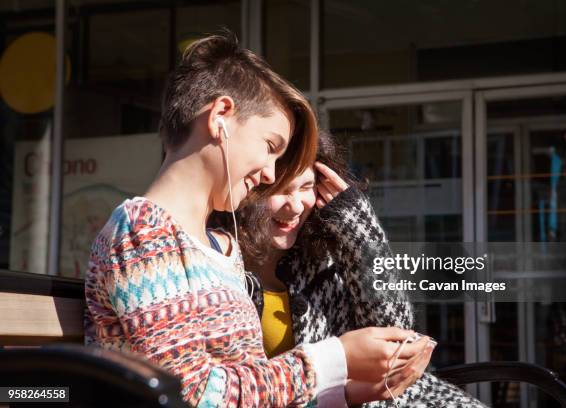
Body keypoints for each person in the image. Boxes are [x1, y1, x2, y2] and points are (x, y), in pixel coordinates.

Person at [84, 33, 433, 408]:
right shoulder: (144, 230)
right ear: (220, 117)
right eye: (270, 147)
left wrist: (342, 395)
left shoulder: (218, 245)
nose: (269, 174)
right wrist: (336, 358)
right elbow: (191, 395)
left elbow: (246, 387)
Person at [235, 130, 488, 407]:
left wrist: (361, 233)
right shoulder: (222, 270)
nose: (295, 206)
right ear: (249, 188)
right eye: (280, 190)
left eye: (306, 187)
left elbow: (397, 332)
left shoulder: (323, 251)